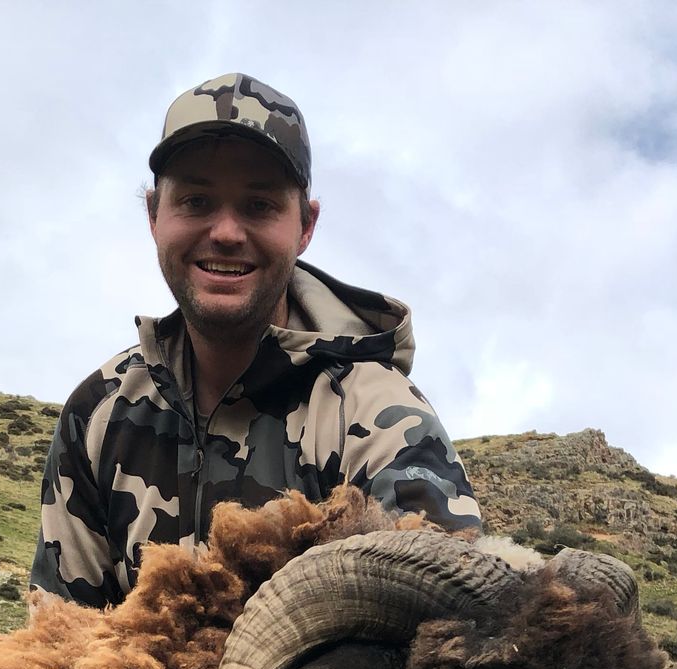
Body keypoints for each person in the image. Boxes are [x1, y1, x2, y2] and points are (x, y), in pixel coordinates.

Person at [30, 73, 481, 607]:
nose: (225, 232)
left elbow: (448, 619)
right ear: (153, 215)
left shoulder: (378, 417)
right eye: (196, 200)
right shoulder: (99, 416)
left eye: (260, 205)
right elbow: (58, 640)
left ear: (306, 226)